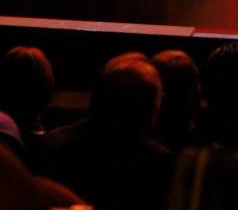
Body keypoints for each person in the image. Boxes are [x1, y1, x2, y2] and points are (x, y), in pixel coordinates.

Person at [38, 54, 175, 210]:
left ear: (94, 94)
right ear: (151, 108)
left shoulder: (53, 144)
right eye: (159, 98)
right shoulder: (160, 164)